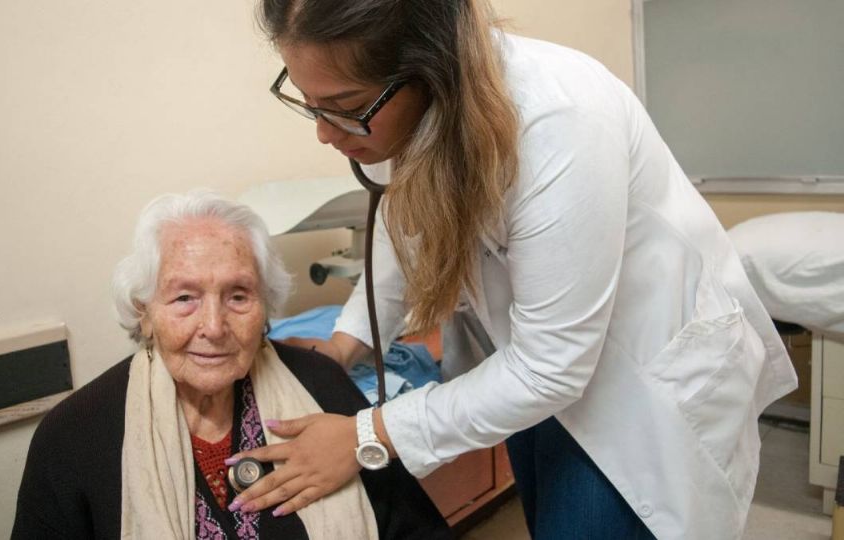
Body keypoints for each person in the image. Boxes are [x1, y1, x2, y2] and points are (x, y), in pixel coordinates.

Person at [230, 1, 800, 538]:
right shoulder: (417, 110)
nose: (326, 133)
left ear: (432, 69)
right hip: (537, 374)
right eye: (312, 104)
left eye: (349, 109)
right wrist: (347, 342)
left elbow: (551, 367)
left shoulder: (559, 121)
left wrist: (365, 437)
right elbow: (404, 221)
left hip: (637, 389)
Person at [10, 190, 450, 539]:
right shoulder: (75, 435)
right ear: (144, 312)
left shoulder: (321, 385)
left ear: (265, 306)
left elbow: (416, 530)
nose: (215, 326)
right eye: (185, 297)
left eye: (238, 295)